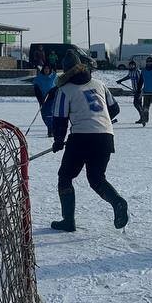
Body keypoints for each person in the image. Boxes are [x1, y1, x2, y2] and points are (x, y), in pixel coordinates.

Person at [47, 51, 128, 232]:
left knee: (65, 177)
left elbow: (59, 120)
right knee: (96, 178)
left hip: (81, 138)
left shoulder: (64, 90)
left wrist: (58, 141)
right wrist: (100, 120)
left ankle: (68, 221)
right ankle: (117, 202)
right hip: (105, 137)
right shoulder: (99, 84)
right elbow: (114, 109)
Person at [32, 62, 58, 137]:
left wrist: (53, 91)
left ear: (50, 69)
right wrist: (40, 97)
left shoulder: (54, 77)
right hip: (42, 99)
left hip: (51, 99)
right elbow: (36, 88)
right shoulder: (39, 78)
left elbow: (58, 86)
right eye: (45, 68)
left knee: (49, 114)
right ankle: (50, 128)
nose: (46, 70)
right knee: (44, 115)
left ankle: (51, 130)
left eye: (48, 69)